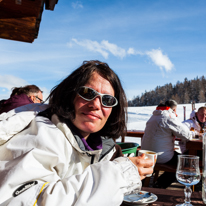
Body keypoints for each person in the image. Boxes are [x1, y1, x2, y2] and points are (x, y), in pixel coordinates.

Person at [0, 60, 153, 206]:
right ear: (69, 95)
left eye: (107, 100)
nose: (96, 104)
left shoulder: (105, 148)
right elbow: (24, 201)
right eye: (87, 93)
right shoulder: (41, 132)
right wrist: (119, 176)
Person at [141, 99, 197, 188]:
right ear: (174, 109)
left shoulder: (153, 117)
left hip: (147, 154)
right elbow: (187, 136)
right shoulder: (169, 117)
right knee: (184, 163)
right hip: (160, 157)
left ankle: (145, 183)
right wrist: (194, 133)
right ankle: (160, 185)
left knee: (177, 158)